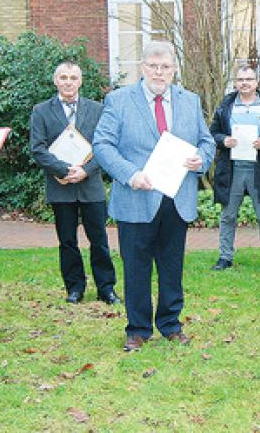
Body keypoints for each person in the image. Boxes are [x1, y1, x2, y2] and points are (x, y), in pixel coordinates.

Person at [93, 41, 215, 351]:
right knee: (136, 267)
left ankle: (171, 325)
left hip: (177, 198)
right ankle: (137, 329)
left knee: (172, 266)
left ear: (174, 69)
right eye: (153, 66)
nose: (159, 72)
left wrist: (202, 159)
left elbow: (206, 141)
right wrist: (131, 175)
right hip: (136, 198)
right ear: (143, 68)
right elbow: (103, 145)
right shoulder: (119, 101)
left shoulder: (190, 101)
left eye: (165, 67)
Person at [30, 62, 119, 305]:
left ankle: (106, 288)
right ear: (55, 81)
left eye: (73, 78)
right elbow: (37, 148)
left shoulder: (98, 110)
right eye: (63, 77)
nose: (68, 82)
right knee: (67, 241)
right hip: (60, 186)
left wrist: (86, 171)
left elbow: (106, 145)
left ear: (80, 81)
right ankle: (75, 287)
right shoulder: (41, 111)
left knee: (99, 239)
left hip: (91, 187)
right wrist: (63, 169)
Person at [209, 63, 260, 271]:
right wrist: (223, 140)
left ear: (257, 82)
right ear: (236, 83)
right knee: (228, 215)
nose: (244, 83)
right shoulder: (225, 105)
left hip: (259, 168)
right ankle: (225, 257)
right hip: (232, 168)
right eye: (240, 80)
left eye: (249, 79)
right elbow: (212, 133)